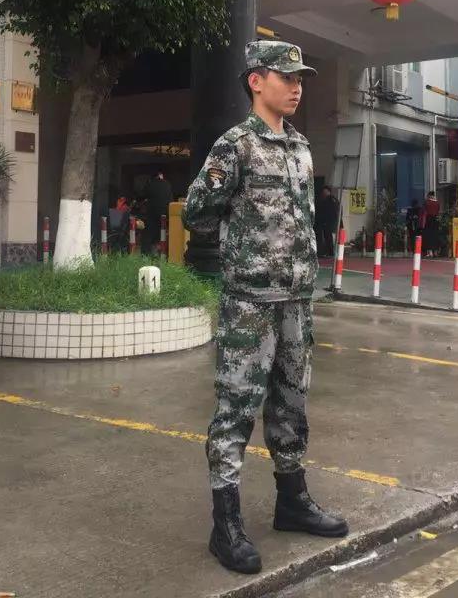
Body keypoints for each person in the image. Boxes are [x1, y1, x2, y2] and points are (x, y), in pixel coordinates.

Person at [182, 40, 347, 576]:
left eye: (300, 79)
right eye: (286, 77)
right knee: (235, 409)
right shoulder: (235, 145)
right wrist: (243, 245)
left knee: (291, 403)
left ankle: (292, 501)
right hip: (250, 304)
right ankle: (225, 522)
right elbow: (196, 212)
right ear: (256, 80)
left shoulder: (299, 146)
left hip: (297, 300)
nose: (297, 87)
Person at [143, 171, 173, 254]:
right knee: (162, 232)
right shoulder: (167, 184)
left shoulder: (151, 184)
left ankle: (148, 252)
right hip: (164, 213)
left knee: (149, 232)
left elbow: (142, 194)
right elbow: (170, 199)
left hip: (152, 213)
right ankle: (161, 252)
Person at [315, 185, 339, 257]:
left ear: (329, 192)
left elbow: (332, 211)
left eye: (325, 191)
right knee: (327, 237)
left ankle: (330, 252)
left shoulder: (330, 200)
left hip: (329, 221)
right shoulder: (326, 199)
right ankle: (328, 252)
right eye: (323, 192)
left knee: (329, 237)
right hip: (327, 221)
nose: (324, 193)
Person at [422, 191, 441, 257]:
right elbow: (438, 211)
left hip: (428, 220)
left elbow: (424, 211)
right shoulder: (437, 203)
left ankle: (429, 252)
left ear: (429, 196)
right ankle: (435, 251)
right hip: (435, 220)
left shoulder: (426, 203)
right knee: (435, 235)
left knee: (428, 235)